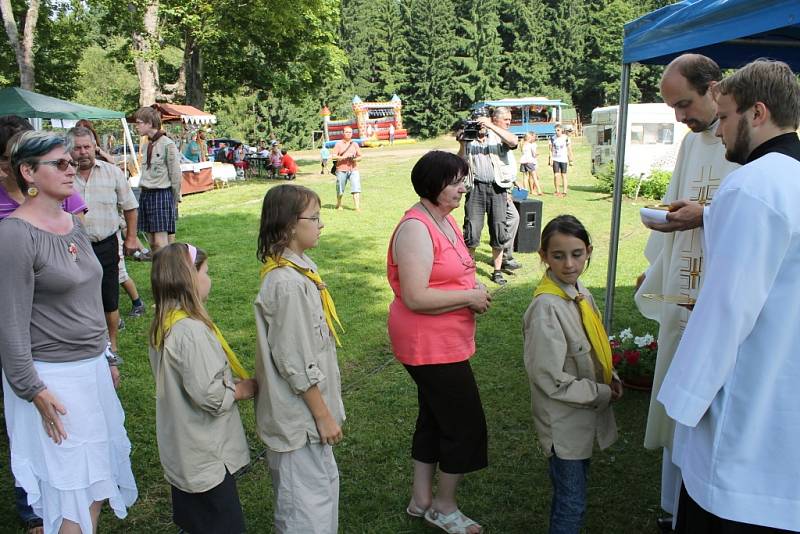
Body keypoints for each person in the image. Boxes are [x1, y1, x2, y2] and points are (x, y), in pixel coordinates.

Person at [657, 60, 800, 533]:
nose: (718, 134)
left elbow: (726, 310)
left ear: (757, 113)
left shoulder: (753, 185)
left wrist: (680, 403)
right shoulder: (790, 179)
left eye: (725, 118)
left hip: (744, 402)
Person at [0, 131, 138, 533]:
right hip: (52, 378)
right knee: (68, 488)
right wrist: (34, 390)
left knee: (96, 481)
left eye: (71, 162)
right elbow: (9, 323)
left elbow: (91, 300)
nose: (71, 169)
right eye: (59, 164)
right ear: (28, 172)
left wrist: (107, 355)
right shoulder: (14, 235)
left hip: (91, 370)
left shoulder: (73, 224)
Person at [633, 54, 739, 530]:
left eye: (684, 104)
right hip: (684, 293)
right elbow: (677, 208)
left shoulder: (750, 143)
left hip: (722, 299)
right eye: (672, 108)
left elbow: (750, 219)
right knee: (677, 398)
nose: (679, 118)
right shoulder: (692, 144)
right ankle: (674, 507)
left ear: (715, 88)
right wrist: (659, 270)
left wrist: (707, 214)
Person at [388, 151, 491, 534]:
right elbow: (415, 296)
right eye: (456, 181)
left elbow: (447, 275)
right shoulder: (415, 228)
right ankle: (444, 508)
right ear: (432, 185)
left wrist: (471, 287)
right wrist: (468, 297)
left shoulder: (442, 219)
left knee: (434, 415)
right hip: (426, 344)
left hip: (444, 341)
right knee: (465, 424)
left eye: (464, 179)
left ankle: (422, 499)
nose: (464, 187)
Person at [254, 184, 345, 533]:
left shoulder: (300, 272)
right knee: (305, 513)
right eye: (315, 218)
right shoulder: (287, 284)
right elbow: (294, 361)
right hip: (300, 423)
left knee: (318, 497)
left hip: (307, 421)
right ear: (291, 225)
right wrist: (322, 415)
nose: (321, 225)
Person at [149, 242, 257, 534]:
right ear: (190, 278)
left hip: (183, 451)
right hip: (206, 455)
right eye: (206, 271)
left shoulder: (164, 322)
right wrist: (242, 390)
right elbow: (209, 395)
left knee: (197, 522)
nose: (210, 278)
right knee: (221, 523)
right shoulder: (191, 332)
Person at [523, 215, 621, 534]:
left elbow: (594, 345)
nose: (568, 264)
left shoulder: (578, 291)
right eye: (558, 255)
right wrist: (602, 393)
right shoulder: (546, 308)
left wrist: (611, 373)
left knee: (572, 493)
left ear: (589, 251)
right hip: (563, 423)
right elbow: (549, 378)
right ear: (543, 256)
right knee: (571, 503)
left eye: (577, 254)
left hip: (580, 418)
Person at [68, 126, 142, 359]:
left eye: (87, 147)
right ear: (70, 150)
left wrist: (131, 237)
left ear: (94, 147)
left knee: (109, 296)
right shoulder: (63, 177)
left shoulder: (112, 172)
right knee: (77, 296)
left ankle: (112, 345)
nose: (82, 152)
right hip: (73, 248)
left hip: (107, 244)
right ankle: (85, 343)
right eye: (77, 148)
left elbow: (130, 206)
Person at [458, 106, 520, 286]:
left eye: (483, 121)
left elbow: (514, 141)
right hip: (475, 189)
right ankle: (469, 273)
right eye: (478, 122)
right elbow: (460, 162)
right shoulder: (469, 138)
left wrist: (491, 126)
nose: (481, 126)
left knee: (499, 230)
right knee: (472, 231)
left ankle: (497, 271)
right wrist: (462, 144)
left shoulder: (497, 136)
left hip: (497, 188)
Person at [1, 116, 87, 222]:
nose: (13, 163)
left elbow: (79, 233)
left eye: (22, 156)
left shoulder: (62, 191)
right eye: (4, 158)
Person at [134, 106, 182, 252]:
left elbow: (175, 174)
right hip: (146, 194)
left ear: (149, 123)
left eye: (139, 123)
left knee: (161, 243)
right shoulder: (147, 144)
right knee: (153, 243)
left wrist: (175, 198)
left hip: (161, 194)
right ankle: (157, 272)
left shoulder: (167, 144)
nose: (137, 127)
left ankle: (167, 273)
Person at [332, 126, 363, 211]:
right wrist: (343, 157)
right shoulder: (338, 144)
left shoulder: (355, 144)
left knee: (356, 188)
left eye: (350, 132)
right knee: (340, 188)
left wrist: (354, 159)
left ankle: (357, 207)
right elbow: (333, 156)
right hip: (341, 169)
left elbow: (360, 157)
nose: (348, 134)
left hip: (353, 169)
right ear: (343, 133)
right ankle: (339, 204)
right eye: (347, 132)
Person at [548, 124, 573, 197]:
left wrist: (571, 160)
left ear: (562, 130)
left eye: (558, 130)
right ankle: (557, 191)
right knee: (556, 175)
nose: (556, 132)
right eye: (555, 130)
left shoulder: (566, 138)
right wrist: (550, 159)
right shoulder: (552, 138)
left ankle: (564, 191)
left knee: (564, 175)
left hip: (563, 159)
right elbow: (550, 149)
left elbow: (569, 149)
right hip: (555, 159)